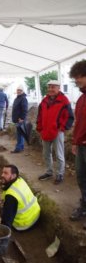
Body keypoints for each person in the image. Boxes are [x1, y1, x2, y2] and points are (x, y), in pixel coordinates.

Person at [36, 80, 74, 184]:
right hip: (45, 131)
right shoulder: (44, 101)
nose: (50, 89)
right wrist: (39, 128)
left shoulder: (64, 101)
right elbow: (39, 116)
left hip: (57, 132)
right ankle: (49, 172)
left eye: (53, 87)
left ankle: (60, 174)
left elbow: (70, 117)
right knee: (46, 153)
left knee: (59, 155)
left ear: (58, 88)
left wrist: (62, 128)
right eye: (49, 87)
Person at [69, 60, 86, 221]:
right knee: (81, 176)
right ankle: (84, 205)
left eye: (80, 76)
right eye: (75, 77)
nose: (77, 80)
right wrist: (75, 141)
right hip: (80, 145)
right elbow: (79, 122)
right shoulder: (81, 99)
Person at [0, 165, 40, 230]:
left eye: (6, 173)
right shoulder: (20, 180)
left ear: (13, 176)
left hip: (24, 224)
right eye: (2, 172)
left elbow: (7, 220)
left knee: (3, 213)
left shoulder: (11, 196)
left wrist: (3, 229)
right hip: (35, 215)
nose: (2, 175)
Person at [11, 85, 28, 153]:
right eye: (18, 90)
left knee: (19, 134)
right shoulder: (17, 98)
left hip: (20, 119)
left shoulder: (23, 98)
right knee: (20, 134)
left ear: (22, 91)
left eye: (20, 90)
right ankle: (21, 147)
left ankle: (18, 148)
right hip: (17, 119)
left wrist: (22, 118)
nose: (18, 91)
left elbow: (25, 109)